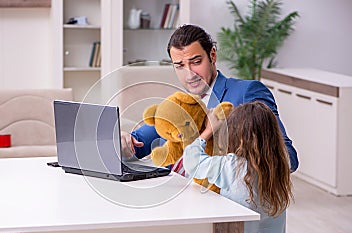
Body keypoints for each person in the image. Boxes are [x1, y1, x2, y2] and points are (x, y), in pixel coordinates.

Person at [121, 24, 298, 173]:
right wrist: (123, 141)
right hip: (176, 201)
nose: (189, 74)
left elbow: (288, 157)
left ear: (212, 55)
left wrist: (234, 166)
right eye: (180, 66)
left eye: (196, 62)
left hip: (225, 201)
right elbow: (136, 144)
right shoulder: (177, 106)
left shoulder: (246, 92)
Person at [183, 101, 293, 233]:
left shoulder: (232, 167)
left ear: (237, 136)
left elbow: (192, 161)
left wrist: (208, 131)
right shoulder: (280, 165)